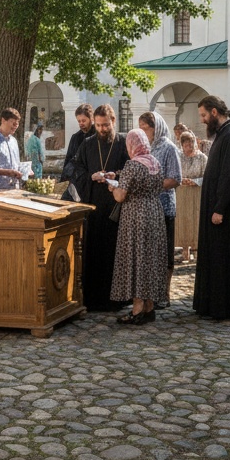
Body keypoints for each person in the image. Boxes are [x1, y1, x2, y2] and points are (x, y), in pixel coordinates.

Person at [193, 95, 230, 320]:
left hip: (224, 214)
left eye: (203, 115)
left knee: (223, 258)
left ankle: (224, 306)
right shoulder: (224, 134)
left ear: (214, 113)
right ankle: (213, 305)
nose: (202, 120)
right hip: (217, 210)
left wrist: (219, 208)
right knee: (216, 257)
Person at [70, 103, 130, 311]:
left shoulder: (123, 143)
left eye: (105, 125)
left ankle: (117, 298)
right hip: (94, 204)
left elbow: (132, 169)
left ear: (113, 122)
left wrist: (117, 175)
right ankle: (93, 298)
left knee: (115, 252)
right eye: (98, 125)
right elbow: (75, 169)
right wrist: (90, 176)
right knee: (94, 250)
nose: (102, 129)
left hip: (116, 207)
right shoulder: (87, 144)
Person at [110, 128, 168, 324]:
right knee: (150, 258)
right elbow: (160, 186)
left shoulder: (132, 165)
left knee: (135, 257)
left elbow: (121, 195)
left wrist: (113, 187)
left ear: (131, 144)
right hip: (155, 213)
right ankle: (150, 306)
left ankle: (137, 308)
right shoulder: (155, 163)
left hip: (136, 216)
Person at [138, 111, 181, 306]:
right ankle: (150, 294)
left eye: (146, 129)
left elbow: (175, 179)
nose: (143, 133)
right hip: (146, 208)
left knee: (165, 253)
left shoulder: (168, 148)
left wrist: (151, 184)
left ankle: (164, 293)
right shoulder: (144, 149)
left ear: (156, 128)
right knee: (149, 253)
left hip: (164, 207)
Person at [175, 131, 208, 262]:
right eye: (187, 144)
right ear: (182, 145)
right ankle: (185, 251)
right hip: (182, 192)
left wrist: (195, 181)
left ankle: (198, 250)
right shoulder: (178, 157)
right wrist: (181, 180)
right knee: (183, 220)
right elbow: (174, 173)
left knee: (196, 220)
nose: (190, 147)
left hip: (197, 192)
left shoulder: (202, 158)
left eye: (192, 144)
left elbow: (208, 177)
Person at [61, 103, 94, 200]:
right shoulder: (75, 138)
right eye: (79, 121)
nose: (81, 123)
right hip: (78, 181)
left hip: (93, 181)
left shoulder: (98, 136)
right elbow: (69, 159)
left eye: (84, 120)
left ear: (91, 119)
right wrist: (64, 180)